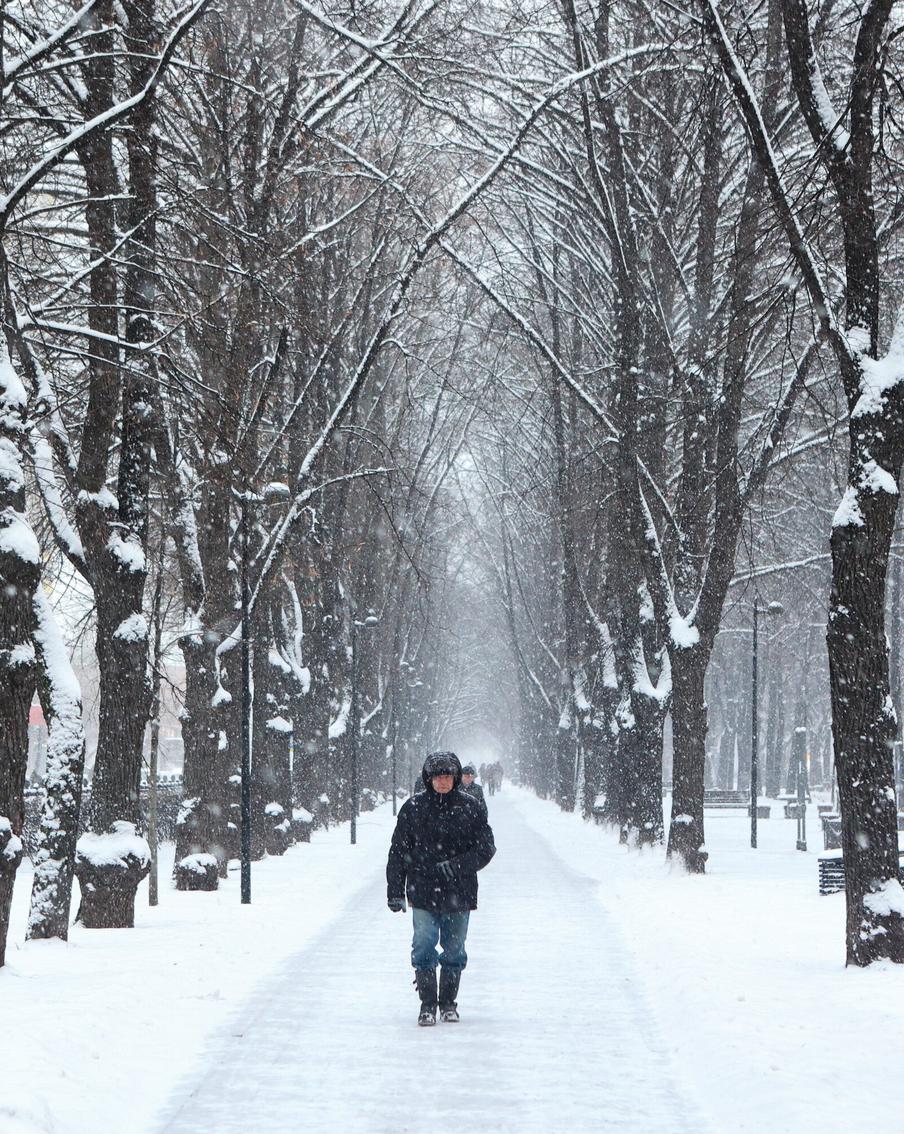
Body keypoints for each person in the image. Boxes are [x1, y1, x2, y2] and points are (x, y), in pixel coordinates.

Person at [386, 751, 496, 1026]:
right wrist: (395, 891)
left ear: (456, 778)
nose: (443, 781)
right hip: (423, 890)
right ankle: (427, 1004)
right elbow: (398, 851)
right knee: (423, 945)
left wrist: (459, 865)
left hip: (460, 892)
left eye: (448, 776)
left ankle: (448, 1002)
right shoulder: (413, 808)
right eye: (438, 777)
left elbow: (486, 848)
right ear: (429, 779)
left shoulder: (470, 807)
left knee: (454, 948)